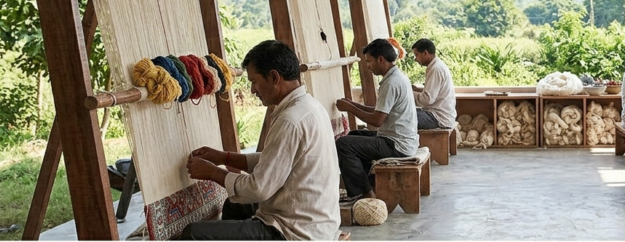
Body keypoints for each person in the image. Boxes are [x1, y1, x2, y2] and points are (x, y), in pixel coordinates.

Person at [182, 40, 341, 240]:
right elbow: (276, 160)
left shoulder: (290, 120)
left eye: (254, 82)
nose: (252, 90)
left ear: (274, 77)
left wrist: (213, 173)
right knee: (234, 205)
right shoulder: (311, 107)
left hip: (295, 232)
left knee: (193, 233)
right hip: (318, 222)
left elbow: (259, 188)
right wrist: (225, 157)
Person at [334, 38, 419, 201]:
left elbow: (377, 120)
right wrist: (352, 104)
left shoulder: (391, 83)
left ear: (380, 59)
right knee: (354, 135)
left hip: (397, 145)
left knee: (343, 144)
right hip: (400, 140)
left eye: (369, 61)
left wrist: (350, 109)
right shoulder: (397, 77)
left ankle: (364, 193)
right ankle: (370, 185)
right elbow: (379, 111)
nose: (368, 66)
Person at [410, 38, 456, 130]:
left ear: (425, 53)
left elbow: (427, 99)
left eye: (416, 54)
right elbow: (434, 93)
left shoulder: (436, 69)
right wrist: (418, 90)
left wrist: (408, 93)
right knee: (402, 113)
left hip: (438, 117)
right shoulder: (436, 66)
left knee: (401, 118)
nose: (415, 59)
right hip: (437, 114)